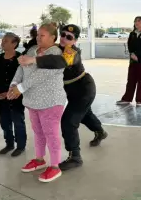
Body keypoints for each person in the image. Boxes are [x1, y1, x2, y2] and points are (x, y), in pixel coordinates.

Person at [17, 24, 108, 171]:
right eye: (63, 35)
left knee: (68, 121)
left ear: (75, 40)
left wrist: (33, 60)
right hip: (69, 90)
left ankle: (75, 157)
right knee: (85, 114)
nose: (65, 39)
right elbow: (40, 48)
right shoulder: (55, 49)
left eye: (69, 37)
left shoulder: (72, 53)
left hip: (83, 89)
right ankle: (100, 132)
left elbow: (59, 62)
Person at [8, 23, 66, 183]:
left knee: (51, 133)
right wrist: (13, 84)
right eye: (38, 35)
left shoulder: (54, 53)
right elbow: (21, 69)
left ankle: (55, 166)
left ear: (53, 37)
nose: (38, 38)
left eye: (43, 35)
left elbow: (41, 75)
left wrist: (20, 88)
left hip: (51, 101)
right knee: (38, 132)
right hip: (32, 101)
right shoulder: (32, 50)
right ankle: (39, 159)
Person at [0, 32, 26, 157]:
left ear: (14, 44)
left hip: (15, 98)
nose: (2, 43)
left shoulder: (21, 59)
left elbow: (24, 79)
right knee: (5, 123)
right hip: (0, 98)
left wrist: (11, 92)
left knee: (18, 122)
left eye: (6, 41)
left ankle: (20, 146)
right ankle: (9, 144)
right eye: (2, 40)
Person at [116, 16, 141, 106]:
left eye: (139, 21)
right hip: (133, 60)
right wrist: (132, 54)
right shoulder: (132, 34)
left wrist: (138, 56)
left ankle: (140, 100)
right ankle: (127, 99)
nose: (137, 23)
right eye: (135, 21)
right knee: (131, 79)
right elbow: (129, 45)